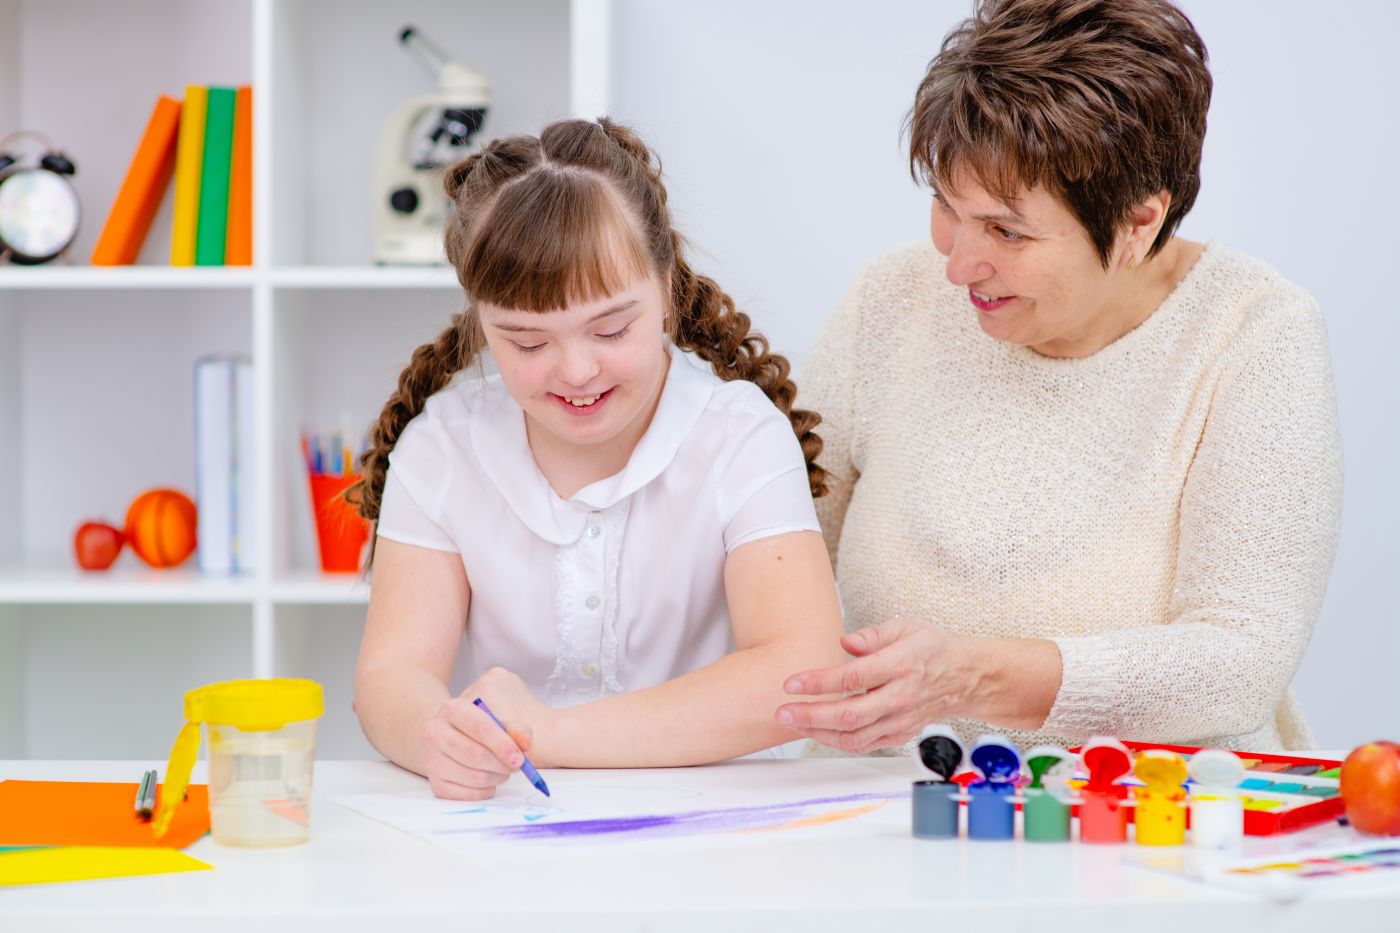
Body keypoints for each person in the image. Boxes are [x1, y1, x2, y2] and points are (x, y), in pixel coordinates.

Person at [776, 0, 1342, 755]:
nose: (957, 264)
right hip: (886, 818)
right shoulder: (892, 300)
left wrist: (969, 677)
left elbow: (1239, 662)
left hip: (1149, 834)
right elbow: (777, 560)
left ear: (1139, 223)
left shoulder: (1254, 335)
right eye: (946, 206)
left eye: (1007, 231)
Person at [350, 118, 844, 799]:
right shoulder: (444, 448)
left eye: (610, 329)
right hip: (511, 827)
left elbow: (801, 665)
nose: (576, 370)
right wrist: (439, 734)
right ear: (480, 318)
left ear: (666, 288)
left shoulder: (738, 436)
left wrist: (547, 734)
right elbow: (388, 676)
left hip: (710, 821)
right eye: (526, 342)